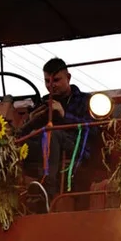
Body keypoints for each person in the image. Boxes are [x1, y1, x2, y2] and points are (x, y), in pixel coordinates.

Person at [21, 58, 93, 198]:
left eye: (56, 80)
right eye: (47, 81)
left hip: (76, 148)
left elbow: (92, 129)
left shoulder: (85, 100)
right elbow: (24, 133)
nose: (51, 85)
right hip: (45, 148)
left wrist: (63, 114)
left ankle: (47, 189)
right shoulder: (43, 103)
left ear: (68, 77)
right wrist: (31, 121)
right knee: (17, 144)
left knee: (51, 135)